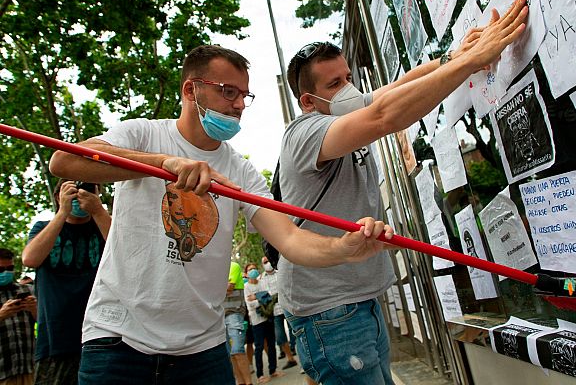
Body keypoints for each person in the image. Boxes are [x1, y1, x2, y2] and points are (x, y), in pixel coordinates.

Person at [47, 44, 394, 385]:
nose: (240, 104)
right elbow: (64, 161)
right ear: (190, 89)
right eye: (228, 92)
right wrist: (163, 163)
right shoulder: (142, 134)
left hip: (203, 349)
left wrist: (342, 249)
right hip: (117, 339)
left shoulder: (240, 172)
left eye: (245, 95)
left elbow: (290, 239)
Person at [280, 0, 529, 385]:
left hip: (355, 300)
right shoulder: (305, 133)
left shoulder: (344, 110)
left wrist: (452, 59)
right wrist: (471, 60)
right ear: (309, 102)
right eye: (335, 84)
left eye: (348, 77)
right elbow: (384, 115)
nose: (348, 88)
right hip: (329, 310)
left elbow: (392, 91)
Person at [22, 179, 110, 385]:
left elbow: (128, 254)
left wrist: (97, 210)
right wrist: (62, 212)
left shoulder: (105, 225)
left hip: (101, 337)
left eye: (88, 190)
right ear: (58, 196)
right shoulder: (43, 228)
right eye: (74, 191)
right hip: (55, 340)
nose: (80, 196)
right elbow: (30, 259)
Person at [0, 248, 36, 385]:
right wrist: (2, 315)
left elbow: (44, 322)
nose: (5, 273)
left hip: (27, 368)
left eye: (9, 268)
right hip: (3, 371)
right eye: (0, 269)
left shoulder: (27, 290)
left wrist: (34, 309)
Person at [244, 263, 281, 383]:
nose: (253, 271)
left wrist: (255, 297)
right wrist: (261, 298)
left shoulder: (262, 282)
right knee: (259, 346)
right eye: (250, 269)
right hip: (256, 321)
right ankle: (260, 374)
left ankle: (273, 370)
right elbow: (250, 304)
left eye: (254, 268)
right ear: (246, 273)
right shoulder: (246, 287)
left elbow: (269, 297)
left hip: (268, 317)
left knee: (271, 344)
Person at [259, 256, 297, 370]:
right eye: (265, 262)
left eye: (268, 261)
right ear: (262, 265)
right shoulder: (261, 278)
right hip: (274, 311)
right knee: (280, 336)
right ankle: (290, 358)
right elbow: (263, 295)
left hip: (288, 306)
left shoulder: (280, 271)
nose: (267, 263)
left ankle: (295, 349)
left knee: (295, 331)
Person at [224, 261, 251, 385]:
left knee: (237, 350)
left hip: (234, 313)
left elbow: (229, 288)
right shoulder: (216, 270)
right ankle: (240, 382)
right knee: (230, 354)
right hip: (220, 317)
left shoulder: (233, 266)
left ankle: (248, 382)